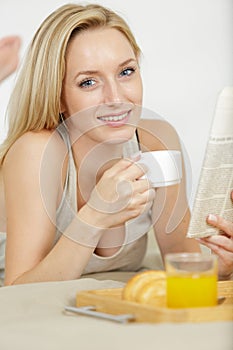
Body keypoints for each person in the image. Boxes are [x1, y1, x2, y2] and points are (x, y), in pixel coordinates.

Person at [0, 3, 229, 285]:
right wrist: (95, 216)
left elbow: (180, 257)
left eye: (125, 72)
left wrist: (220, 265)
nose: (115, 97)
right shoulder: (36, 152)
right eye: (88, 82)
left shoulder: (157, 141)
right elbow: (17, 289)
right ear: (58, 95)